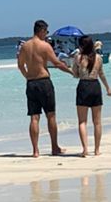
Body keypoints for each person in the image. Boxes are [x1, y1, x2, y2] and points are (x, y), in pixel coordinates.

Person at [16, 20, 73, 157]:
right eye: (46, 32)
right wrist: (71, 72)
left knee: (34, 117)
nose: (46, 34)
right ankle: (54, 147)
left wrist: (27, 77)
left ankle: (35, 150)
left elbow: (20, 65)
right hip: (44, 82)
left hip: (31, 83)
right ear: (41, 30)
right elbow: (57, 63)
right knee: (51, 115)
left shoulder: (25, 46)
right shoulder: (45, 46)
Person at [71, 35, 111, 156]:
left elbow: (75, 74)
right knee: (97, 122)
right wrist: (108, 88)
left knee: (82, 121)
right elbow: (101, 74)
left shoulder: (78, 57)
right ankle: (97, 150)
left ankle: (85, 149)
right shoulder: (98, 58)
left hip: (83, 86)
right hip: (95, 86)